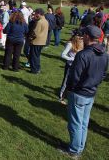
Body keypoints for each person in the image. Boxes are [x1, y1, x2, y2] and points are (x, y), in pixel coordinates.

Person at [60, 25, 108, 158]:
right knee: (83, 122)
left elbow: (74, 77)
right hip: (91, 93)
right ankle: (80, 146)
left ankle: (74, 150)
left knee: (75, 123)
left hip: (79, 93)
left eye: (84, 34)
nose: (82, 37)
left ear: (87, 36)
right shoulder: (105, 54)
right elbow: (103, 75)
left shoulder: (83, 54)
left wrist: (68, 91)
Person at [59, 31, 84, 104]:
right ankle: (61, 97)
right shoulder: (70, 44)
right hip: (70, 66)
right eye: (81, 38)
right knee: (66, 81)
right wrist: (72, 59)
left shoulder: (82, 44)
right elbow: (63, 55)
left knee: (75, 82)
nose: (82, 40)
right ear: (77, 38)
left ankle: (71, 97)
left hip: (78, 66)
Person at [29, 8, 49, 74]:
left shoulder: (39, 22)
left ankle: (34, 70)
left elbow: (35, 33)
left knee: (34, 56)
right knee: (37, 56)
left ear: (39, 13)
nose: (36, 15)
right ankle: (37, 68)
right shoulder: (46, 21)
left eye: (36, 13)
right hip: (42, 41)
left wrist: (30, 38)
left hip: (36, 42)